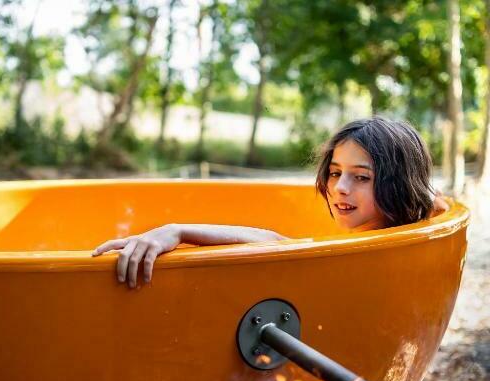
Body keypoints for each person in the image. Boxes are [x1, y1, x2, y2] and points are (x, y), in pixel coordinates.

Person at [92, 116, 447, 289]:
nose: (340, 188)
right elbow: (433, 204)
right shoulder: (391, 233)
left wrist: (178, 230)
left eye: (362, 177)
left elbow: (275, 242)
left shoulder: (370, 247)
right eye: (336, 173)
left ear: (398, 183)